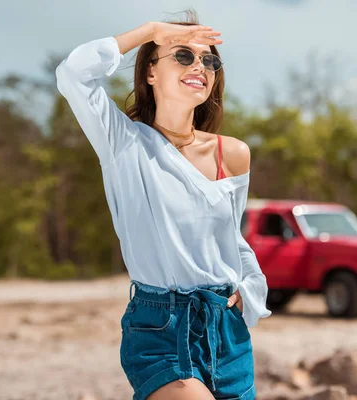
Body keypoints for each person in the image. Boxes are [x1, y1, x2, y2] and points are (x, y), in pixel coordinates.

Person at [55, 10, 271, 400]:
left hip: (226, 330)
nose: (200, 66)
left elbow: (230, 239)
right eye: (183, 55)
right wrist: (152, 32)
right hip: (161, 328)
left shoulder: (233, 154)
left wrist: (251, 284)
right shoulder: (123, 142)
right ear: (150, 72)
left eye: (209, 60)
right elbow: (73, 73)